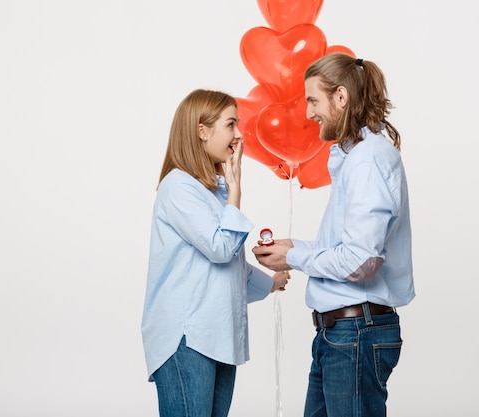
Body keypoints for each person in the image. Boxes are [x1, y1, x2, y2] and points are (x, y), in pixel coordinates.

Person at [252, 53, 415, 417]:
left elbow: (360, 261)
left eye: (313, 100)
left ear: (341, 97)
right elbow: (349, 248)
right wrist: (295, 247)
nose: (309, 113)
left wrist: (293, 258)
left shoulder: (368, 159)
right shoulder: (354, 156)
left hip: (355, 334)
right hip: (342, 334)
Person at [141, 89, 290, 417]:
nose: (239, 135)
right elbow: (221, 249)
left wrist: (273, 281)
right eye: (231, 124)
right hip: (187, 339)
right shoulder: (178, 187)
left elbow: (229, 268)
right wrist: (236, 189)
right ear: (202, 131)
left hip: (217, 338)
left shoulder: (211, 191)